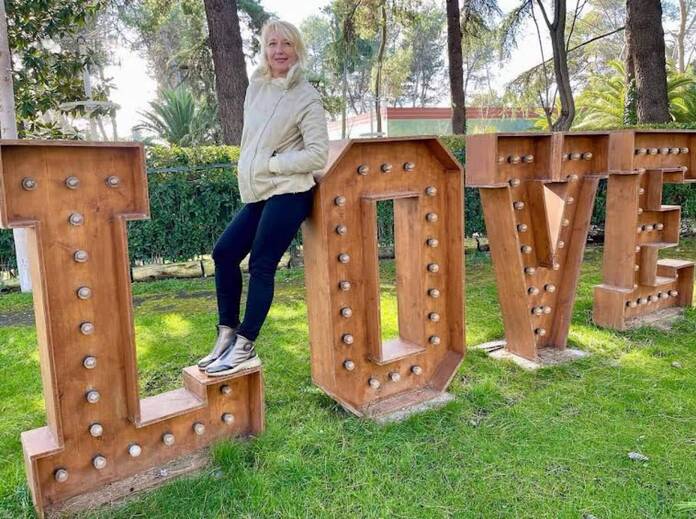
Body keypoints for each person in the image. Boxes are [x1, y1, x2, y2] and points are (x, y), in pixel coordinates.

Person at [198, 19, 329, 377]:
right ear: (264, 50)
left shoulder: (306, 96)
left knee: (261, 263)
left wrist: (271, 164)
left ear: (297, 49)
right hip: (261, 190)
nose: (279, 50)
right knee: (224, 253)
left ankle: (245, 343)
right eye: (272, 44)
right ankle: (226, 334)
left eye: (286, 44)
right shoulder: (256, 87)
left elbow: (318, 154)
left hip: (291, 190)